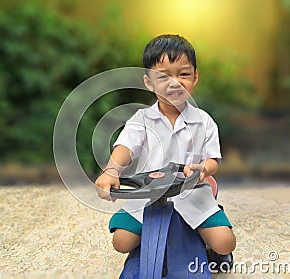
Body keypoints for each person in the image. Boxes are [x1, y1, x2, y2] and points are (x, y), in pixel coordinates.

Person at [95, 34, 236, 267]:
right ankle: (153, 241)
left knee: (225, 243)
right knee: (121, 242)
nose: (175, 83)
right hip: (150, 196)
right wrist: (111, 171)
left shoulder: (204, 121)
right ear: (149, 82)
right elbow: (125, 147)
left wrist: (203, 169)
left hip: (192, 193)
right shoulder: (141, 120)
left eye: (183, 74)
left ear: (195, 77)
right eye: (163, 76)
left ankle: (210, 243)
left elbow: (213, 160)